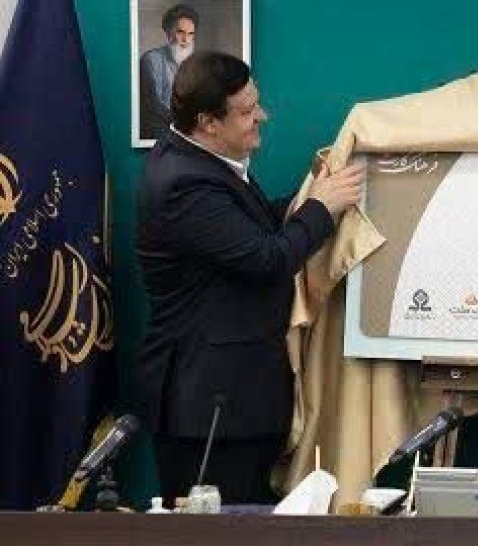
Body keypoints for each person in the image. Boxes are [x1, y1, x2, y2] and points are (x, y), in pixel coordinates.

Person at [134, 51, 364, 505]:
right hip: (210, 415)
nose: (262, 116)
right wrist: (321, 208)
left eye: (256, 104)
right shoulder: (185, 183)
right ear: (208, 122)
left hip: (235, 405)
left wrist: (311, 197)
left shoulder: (201, 162)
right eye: (246, 111)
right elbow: (265, 258)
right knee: (217, 534)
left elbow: (250, 230)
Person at [139, 4, 199, 140]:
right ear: (168, 32)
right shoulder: (152, 59)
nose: (185, 40)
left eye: (190, 34)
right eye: (180, 32)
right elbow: (156, 104)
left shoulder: (194, 64)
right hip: (160, 134)